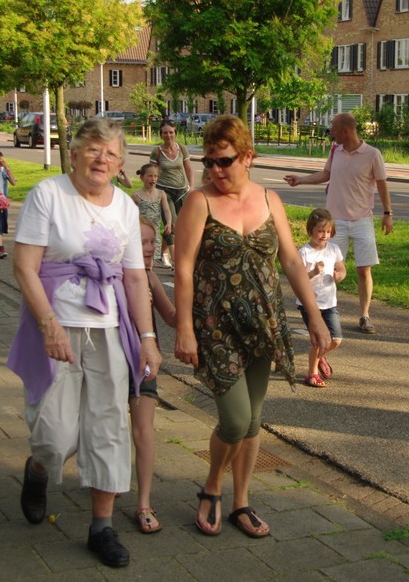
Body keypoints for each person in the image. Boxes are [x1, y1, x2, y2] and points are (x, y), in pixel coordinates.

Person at [6, 117, 161, 568]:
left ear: (120, 163)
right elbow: (23, 266)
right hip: (56, 325)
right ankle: (39, 468)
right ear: (73, 154)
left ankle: (102, 527)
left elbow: (135, 278)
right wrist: (49, 325)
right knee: (54, 436)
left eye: (111, 153)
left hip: (109, 329)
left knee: (108, 425)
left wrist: (147, 338)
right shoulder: (49, 195)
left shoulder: (126, 207)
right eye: (93, 149)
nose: (101, 159)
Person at [175, 115, 330, 538]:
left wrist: (315, 317)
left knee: (254, 420)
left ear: (247, 157)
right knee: (235, 419)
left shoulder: (269, 199)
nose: (215, 170)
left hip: (264, 324)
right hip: (216, 326)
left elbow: (291, 261)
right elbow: (183, 269)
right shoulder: (199, 203)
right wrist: (184, 329)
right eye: (208, 162)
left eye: (223, 161)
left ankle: (241, 502)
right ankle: (212, 487)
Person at [284, 112, 394, 335]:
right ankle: (322, 312)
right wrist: (301, 179)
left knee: (364, 269)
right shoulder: (335, 151)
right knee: (328, 269)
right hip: (335, 223)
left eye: (333, 128)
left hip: (362, 220)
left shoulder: (372, 154)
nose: (331, 132)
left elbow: (382, 184)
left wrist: (387, 213)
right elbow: (325, 175)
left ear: (346, 130)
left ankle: (365, 316)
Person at [130, 215, 176, 535]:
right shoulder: (114, 276)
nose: (149, 249)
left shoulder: (150, 277)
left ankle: (144, 503)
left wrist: (189, 296)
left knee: (144, 431)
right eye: (141, 242)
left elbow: (171, 317)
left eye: (152, 242)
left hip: (145, 365)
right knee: (104, 429)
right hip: (113, 363)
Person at [297, 208, 346, 388]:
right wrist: (313, 272)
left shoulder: (334, 249)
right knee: (318, 341)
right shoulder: (304, 252)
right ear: (311, 230)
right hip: (309, 304)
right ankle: (312, 374)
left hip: (329, 302)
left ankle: (320, 357)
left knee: (336, 339)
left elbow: (342, 268)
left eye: (327, 231)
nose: (324, 235)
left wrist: (340, 274)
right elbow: (298, 279)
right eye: (320, 231)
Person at [149, 119, 194, 268]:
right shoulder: (157, 152)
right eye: (165, 133)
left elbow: (189, 169)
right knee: (172, 224)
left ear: (175, 133)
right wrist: (152, 191)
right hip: (164, 192)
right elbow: (152, 173)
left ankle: (164, 253)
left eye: (171, 132)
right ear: (161, 134)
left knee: (180, 226)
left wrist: (191, 186)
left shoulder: (182, 149)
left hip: (182, 191)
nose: (168, 135)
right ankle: (176, 263)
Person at [131, 164, 172, 265]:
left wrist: (168, 223)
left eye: (155, 176)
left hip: (155, 234)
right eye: (150, 176)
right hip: (141, 234)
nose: (153, 178)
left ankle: (149, 273)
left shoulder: (161, 194)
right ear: (142, 177)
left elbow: (167, 210)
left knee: (151, 262)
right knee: (140, 261)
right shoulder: (136, 195)